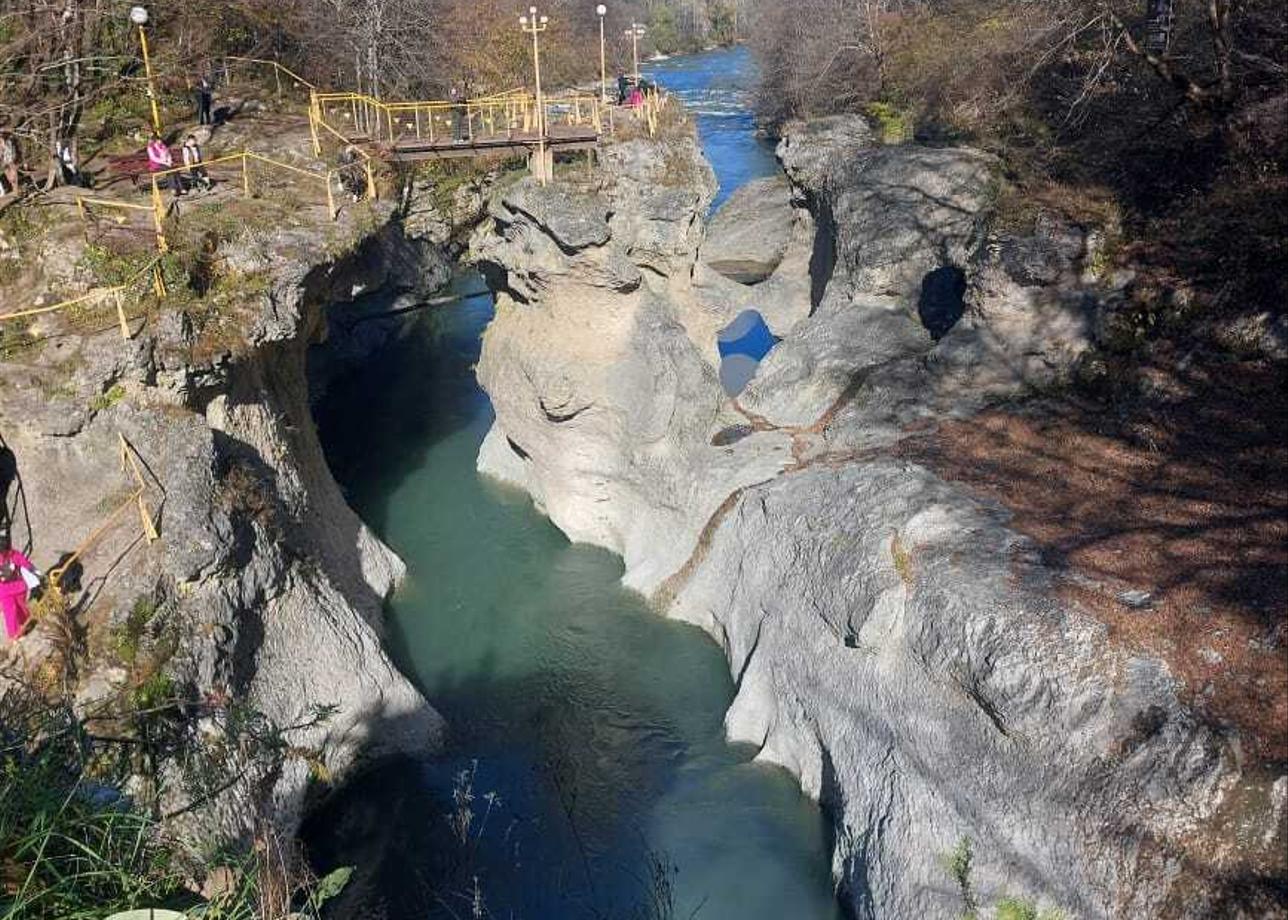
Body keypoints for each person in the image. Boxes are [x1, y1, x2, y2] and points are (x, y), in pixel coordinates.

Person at [0, 530, 38, 642]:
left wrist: (35, 572)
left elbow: (24, 563)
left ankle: (26, 623)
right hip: (4, 590)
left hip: (18, 586)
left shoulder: (13, 554)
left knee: (21, 606)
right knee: (10, 610)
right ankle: (14, 634)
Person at [146, 133, 179, 198]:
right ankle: (173, 188)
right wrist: (165, 162)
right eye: (158, 140)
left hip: (166, 163)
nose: (160, 141)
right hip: (156, 164)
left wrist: (169, 161)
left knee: (175, 169)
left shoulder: (163, 146)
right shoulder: (150, 148)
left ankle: (181, 187)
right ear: (155, 141)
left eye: (160, 140)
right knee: (169, 170)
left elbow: (168, 154)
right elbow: (154, 158)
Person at [0, 130, 19, 199]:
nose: (1, 134)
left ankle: (16, 191)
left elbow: (14, 151)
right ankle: (13, 190)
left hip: (11, 160)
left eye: (2, 133)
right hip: (4, 161)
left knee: (13, 175)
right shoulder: (1, 141)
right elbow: (1, 152)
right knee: (9, 177)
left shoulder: (10, 140)